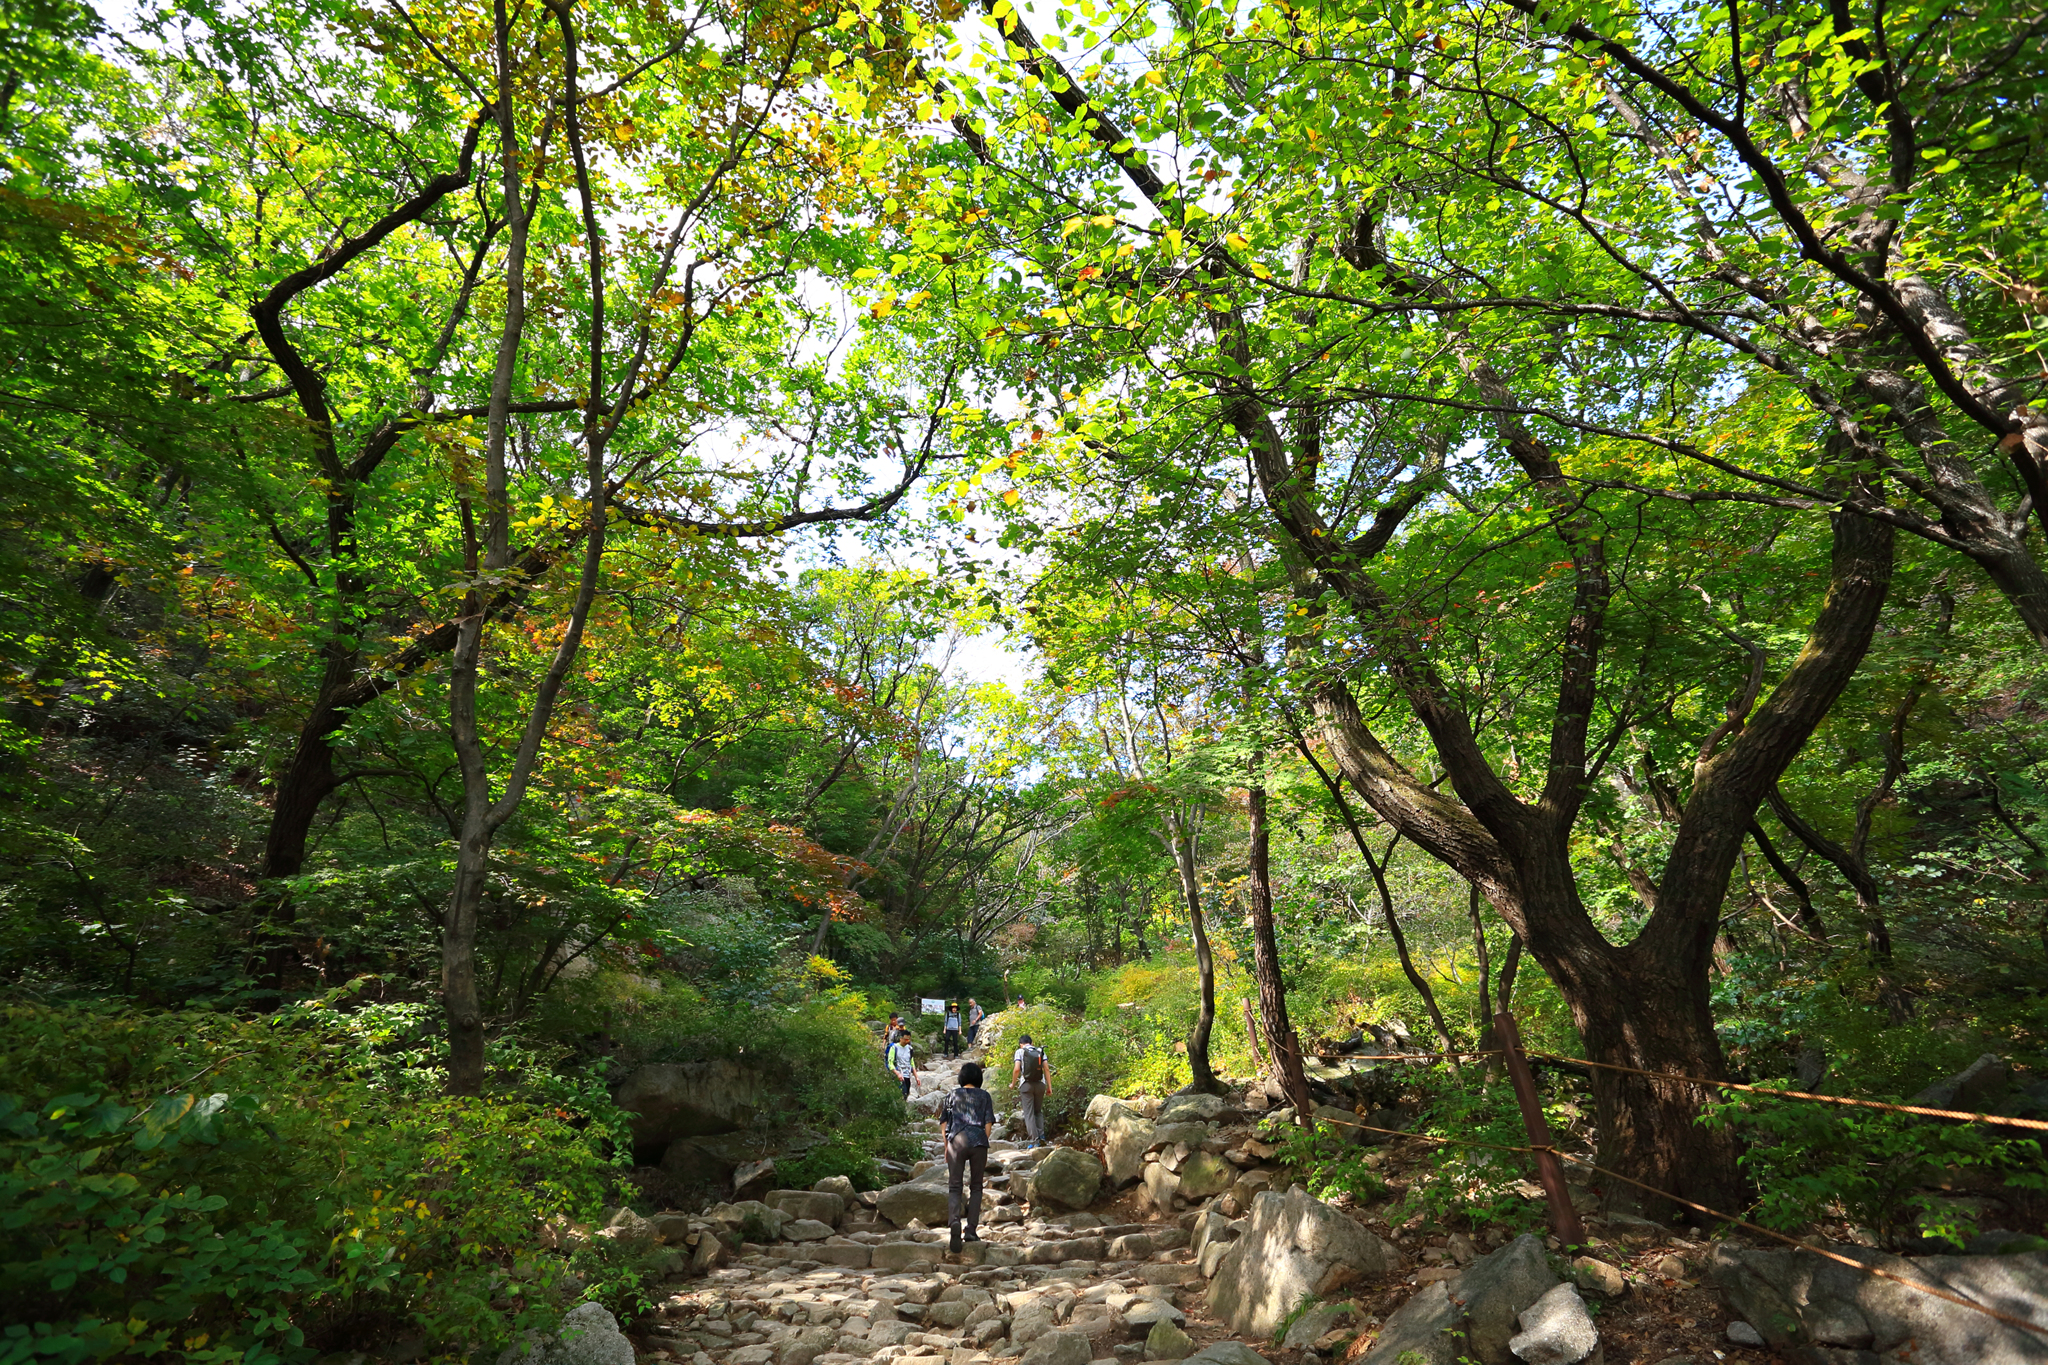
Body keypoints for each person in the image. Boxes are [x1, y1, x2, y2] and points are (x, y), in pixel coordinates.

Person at [939, 1060, 996, 1253]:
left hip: (957, 1141)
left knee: (955, 1186)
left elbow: (944, 1123)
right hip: (978, 1141)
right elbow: (988, 1123)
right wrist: (982, 1140)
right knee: (976, 1186)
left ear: (961, 1078)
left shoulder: (951, 1095)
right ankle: (971, 1229)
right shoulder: (985, 1096)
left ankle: (954, 1222)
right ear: (979, 1078)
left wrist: (947, 1146)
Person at [1010, 1032, 1051, 1145]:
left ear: (1021, 1044)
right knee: (1038, 1111)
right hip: (1040, 1084)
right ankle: (1042, 1137)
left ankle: (1034, 1141)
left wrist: (1013, 1083)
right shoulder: (1040, 1051)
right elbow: (1046, 1069)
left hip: (1026, 1085)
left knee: (1029, 1113)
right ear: (1032, 1043)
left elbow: (1017, 1069)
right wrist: (1049, 1087)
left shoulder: (1020, 1051)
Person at [887, 1027, 916, 1100]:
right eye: (905, 1039)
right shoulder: (894, 1048)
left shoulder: (910, 1049)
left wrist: (916, 1077)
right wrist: (897, 1073)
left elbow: (912, 1063)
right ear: (901, 1038)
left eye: (908, 1039)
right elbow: (890, 1063)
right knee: (901, 1093)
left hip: (907, 1075)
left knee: (906, 1093)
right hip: (898, 1074)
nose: (907, 1041)